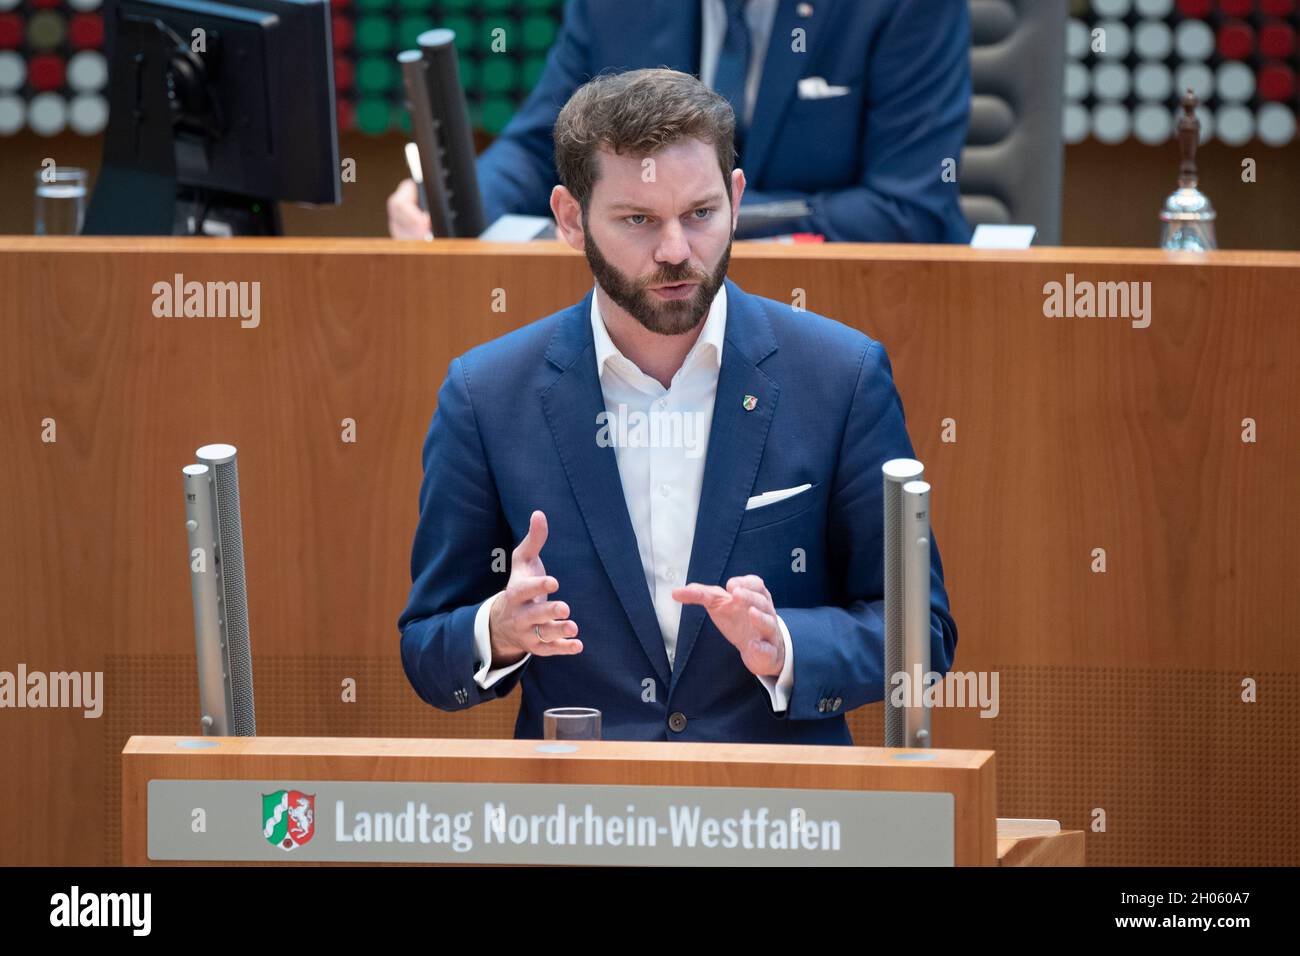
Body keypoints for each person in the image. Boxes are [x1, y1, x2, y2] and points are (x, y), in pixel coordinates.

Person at [397, 68, 958, 743]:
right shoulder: (485, 395)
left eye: (700, 215)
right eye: (638, 220)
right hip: (581, 825)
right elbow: (428, 650)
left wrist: (786, 644)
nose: (675, 252)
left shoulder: (840, 376)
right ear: (571, 220)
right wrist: (499, 629)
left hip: (782, 822)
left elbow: (920, 635)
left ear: (736, 197)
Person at [388, 0, 971, 243]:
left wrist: (674, 219)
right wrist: (451, 205)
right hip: (646, 326)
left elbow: (909, 210)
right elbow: (544, 146)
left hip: (852, 319)